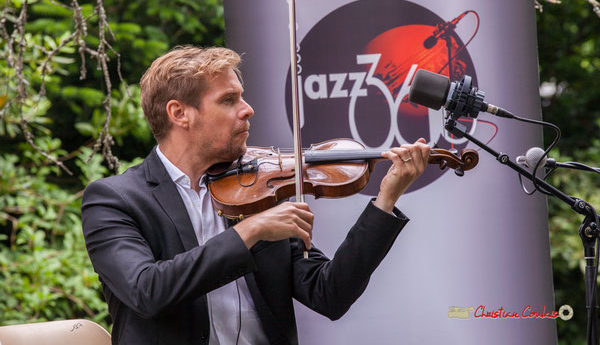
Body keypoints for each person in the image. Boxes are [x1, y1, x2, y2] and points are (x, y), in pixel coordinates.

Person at [81, 46, 430, 345]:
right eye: (228, 100)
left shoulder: (257, 192)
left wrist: (386, 199)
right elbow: (147, 291)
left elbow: (330, 294)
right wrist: (249, 232)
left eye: (241, 97)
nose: (247, 109)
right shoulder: (115, 200)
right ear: (179, 114)